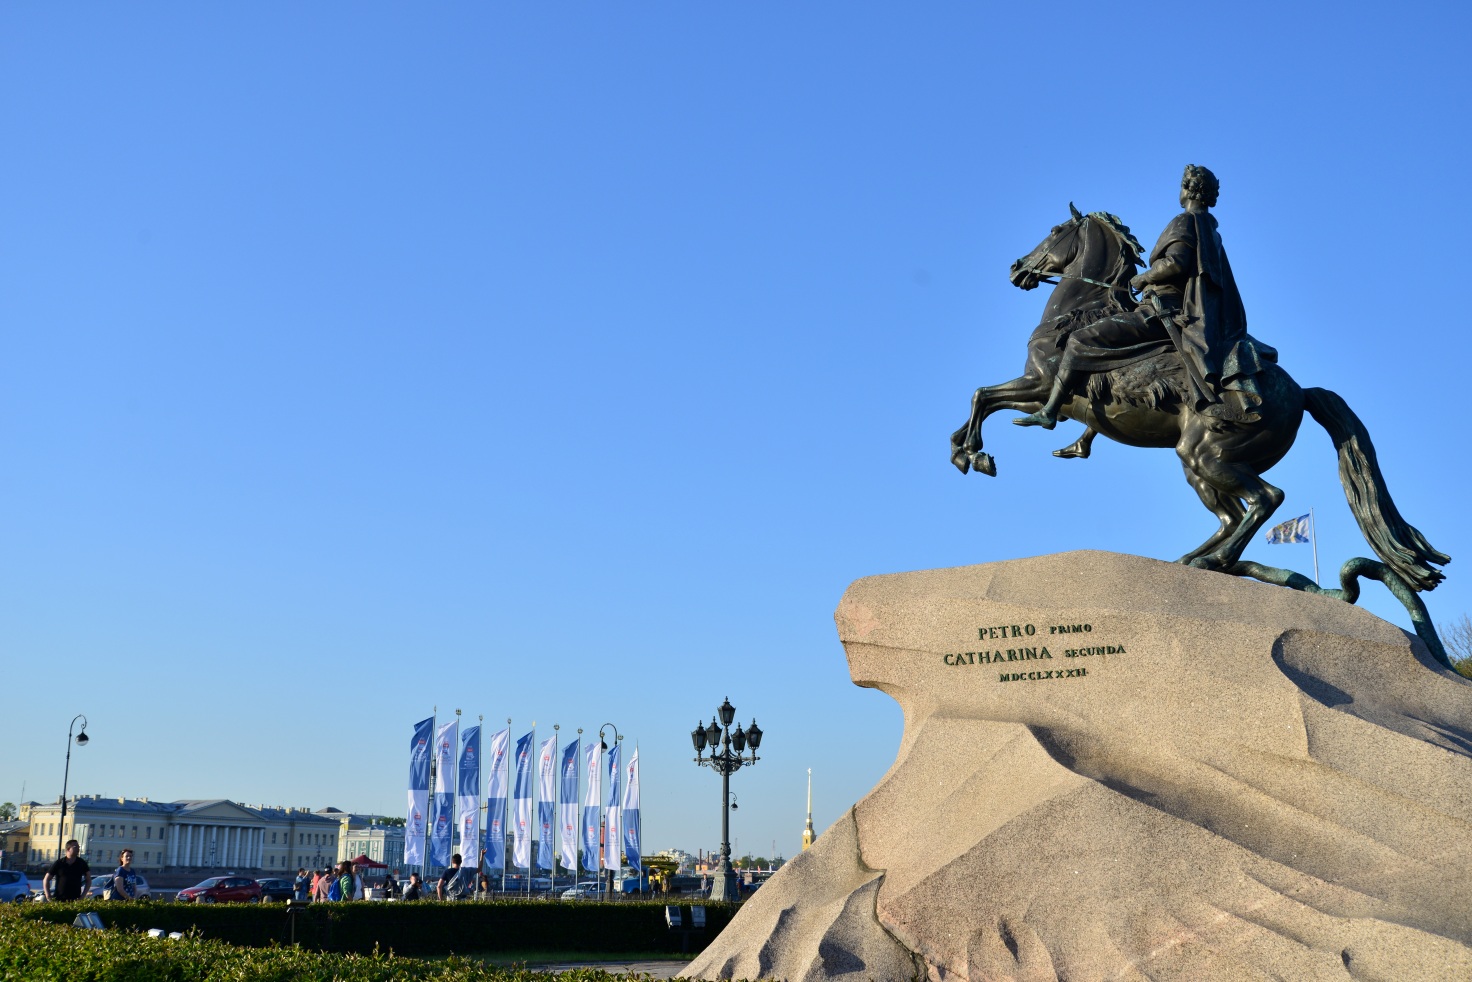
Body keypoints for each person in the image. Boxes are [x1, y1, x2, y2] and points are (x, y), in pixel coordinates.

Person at [1014, 164, 1265, 428]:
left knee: (1078, 339)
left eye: (1181, 185)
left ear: (1188, 189)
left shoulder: (1185, 221)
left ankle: (1051, 409)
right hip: (1180, 309)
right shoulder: (1211, 231)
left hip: (1160, 310)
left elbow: (1175, 264)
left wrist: (1143, 278)